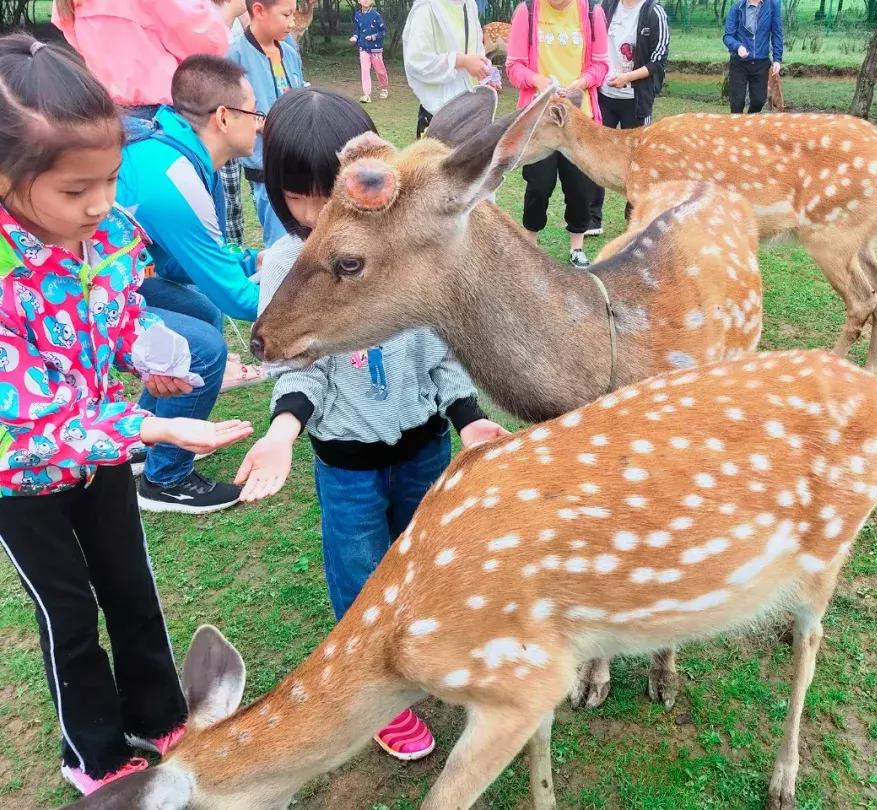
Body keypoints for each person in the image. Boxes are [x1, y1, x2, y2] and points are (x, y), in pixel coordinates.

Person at [0, 34, 252, 796]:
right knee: (69, 617)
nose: (102, 203)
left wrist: (148, 360)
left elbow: (113, 318)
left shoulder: (103, 233)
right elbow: (26, 411)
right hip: (22, 479)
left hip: (101, 455)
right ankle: (97, 754)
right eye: (77, 191)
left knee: (132, 587)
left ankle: (160, 713)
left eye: (109, 180)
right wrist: (149, 427)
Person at [234, 87, 509, 761]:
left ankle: (431, 656)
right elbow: (301, 367)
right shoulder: (285, 265)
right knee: (360, 582)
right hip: (347, 463)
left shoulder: (409, 259)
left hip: (423, 448)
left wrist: (468, 420)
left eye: (326, 194)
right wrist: (281, 432)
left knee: (429, 564)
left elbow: (442, 349)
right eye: (296, 195)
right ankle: (374, 694)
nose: (312, 214)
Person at [118, 55, 265, 513]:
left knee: (202, 311)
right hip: (71, 300)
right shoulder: (174, 179)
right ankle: (166, 479)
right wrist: (324, 299)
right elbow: (243, 301)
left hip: (113, 282)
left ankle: (146, 438)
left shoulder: (178, 152)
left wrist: (251, 260)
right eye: (254, 113)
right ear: (224, 117)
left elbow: (183, 268)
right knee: (203, 346)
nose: (259, 126)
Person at [506, 0, 609, 268]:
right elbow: (514, 66)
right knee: (539, 184)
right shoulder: (526, 11)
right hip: (540, 121)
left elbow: (601, 65)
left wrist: (580, 84)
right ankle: (530, 243)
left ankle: (577, 246)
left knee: (580, 187)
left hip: (578, 118)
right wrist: (538, 82)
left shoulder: (591, 11)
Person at [51, 0, 232, 121]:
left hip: (107, 111)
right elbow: (202, 35)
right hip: (160, 114)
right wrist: (228, 14)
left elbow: (69, 30)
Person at [587, 0, 669, 236]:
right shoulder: (605, 7)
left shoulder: (654, 13)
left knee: (640, 160)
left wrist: (628, 78)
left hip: (636, 99)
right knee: (597, 156)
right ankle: (593, 218)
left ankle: (634, 216)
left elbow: (658, 61)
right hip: (604, 95)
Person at [227, 0, 304, 247]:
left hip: (297, 159)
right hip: (263, 165)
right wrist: (256, 123)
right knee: (280, 241)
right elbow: (227, 111)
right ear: (259, 11)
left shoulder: (290, 53)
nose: (292, 23)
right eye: (286, 15)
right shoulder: (234, 55)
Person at [403, 0, 491, 138]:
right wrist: (461, 61)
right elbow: (417, 62)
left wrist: (484, 71)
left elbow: (476, 49)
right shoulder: (426, 8)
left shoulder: (469, 5)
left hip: (471, 114)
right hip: (440, 117)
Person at [217, 0, 252, 246]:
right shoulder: (201, 14)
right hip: (216, 122)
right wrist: (230, 13)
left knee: (237, 198)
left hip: (242, 113)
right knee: (225, 199)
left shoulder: (241, 15)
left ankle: (237, 252)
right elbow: (207, 58)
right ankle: (229, 252)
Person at [723, 0, 783, 115]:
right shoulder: (737, 7)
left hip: (761, 63)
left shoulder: (772, 6)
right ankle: (737, 129)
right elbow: (728, 36)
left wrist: (777, 59)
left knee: (759, 100)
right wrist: (738, 46)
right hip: (739, 63)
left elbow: (777, 33)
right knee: (737, 102)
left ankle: (750, 124)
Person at [351, 0, 390, 104]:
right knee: (365, 70)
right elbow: (357, 29)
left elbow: (383, 31)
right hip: (363, 47)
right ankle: (367, 94)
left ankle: (384, 88)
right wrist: (355, 37)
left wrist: (373, 37)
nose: (366, 1)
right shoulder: (357, 15)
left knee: (380, 70)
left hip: (376, 48)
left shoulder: (376, 15)